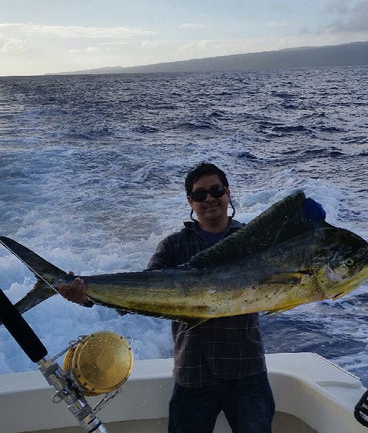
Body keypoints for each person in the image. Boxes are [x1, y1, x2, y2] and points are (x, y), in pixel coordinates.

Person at [59, 162, 275, 433]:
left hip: (246, 372)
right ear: (190, 201)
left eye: (216, 190)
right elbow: (142, 294)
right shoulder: (174, 245)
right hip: (193, 374)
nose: (209, 198)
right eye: (200, 194)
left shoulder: (254, 241)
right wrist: (86, 296)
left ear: (228, 193)